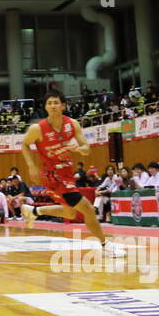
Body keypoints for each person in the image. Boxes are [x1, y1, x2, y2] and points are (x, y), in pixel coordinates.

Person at [20, 92, 111, 249]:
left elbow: (87, 149)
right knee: (88, 209)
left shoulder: (72, 124)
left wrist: (79, 149)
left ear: (63, 106)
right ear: (45, 107)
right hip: (53, 175)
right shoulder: (38, 128)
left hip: (67, 173)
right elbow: (24, 144)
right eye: (49, 103)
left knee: (70, 213)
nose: (53, 105)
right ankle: (105, 244)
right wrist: (31, 165)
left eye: (56, 102)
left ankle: (33, 211)